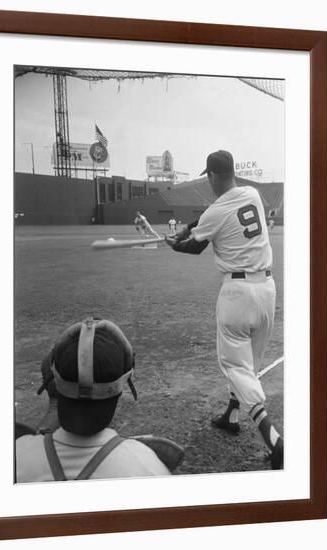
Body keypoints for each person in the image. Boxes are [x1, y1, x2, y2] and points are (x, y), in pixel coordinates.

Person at [165, 150, 283, 470]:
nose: (209, 181)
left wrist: (175, 243)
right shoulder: (251, 193)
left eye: (208, 176)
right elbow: (210, 217)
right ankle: (231, 415)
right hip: (267, 291)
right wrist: (188, 227)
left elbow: (196, 245)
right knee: (250, 365)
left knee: (236, 367)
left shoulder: (215, 211)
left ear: (214, 175)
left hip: (237, 295)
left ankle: (274, 440)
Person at [16, 317, 171, 482]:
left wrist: (54, 402)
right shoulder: (147, 466)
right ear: (123, 384)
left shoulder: (17, 455)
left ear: (53, 380)